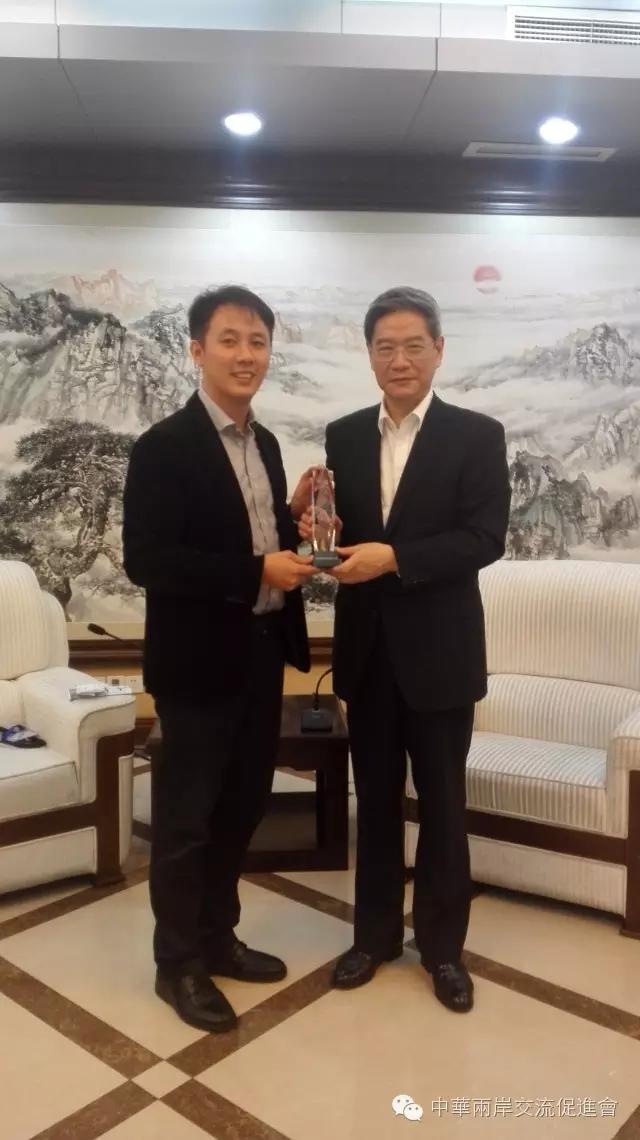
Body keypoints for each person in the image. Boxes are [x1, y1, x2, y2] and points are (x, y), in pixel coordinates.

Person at [303, 286, 511, 1012]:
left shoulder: (476, 435)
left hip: (443, 655)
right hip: (368, 653)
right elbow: (340, 531)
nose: (399, 360)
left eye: (413, 345)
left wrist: (394, 558)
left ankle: (444, 951)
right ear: (369, 355)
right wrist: (321, 530)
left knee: (445, 807)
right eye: (385, 347)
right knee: (376, 801)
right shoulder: (343, 434)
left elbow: (484, 538)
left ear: (438, 350)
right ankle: (374, 938)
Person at [123, 285, 317, 1033]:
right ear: (197, 350)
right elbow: (150, 560)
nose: (246, 355)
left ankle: (217, 937)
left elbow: (254, 535)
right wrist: (256, 570)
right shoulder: (163, 447)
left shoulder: (265, 445)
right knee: (187, 823)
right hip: (196, 667)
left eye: (258, 341)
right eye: (230, 340)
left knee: (241, 808)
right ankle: (176, 964)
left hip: (261, 657)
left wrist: (292, 523)